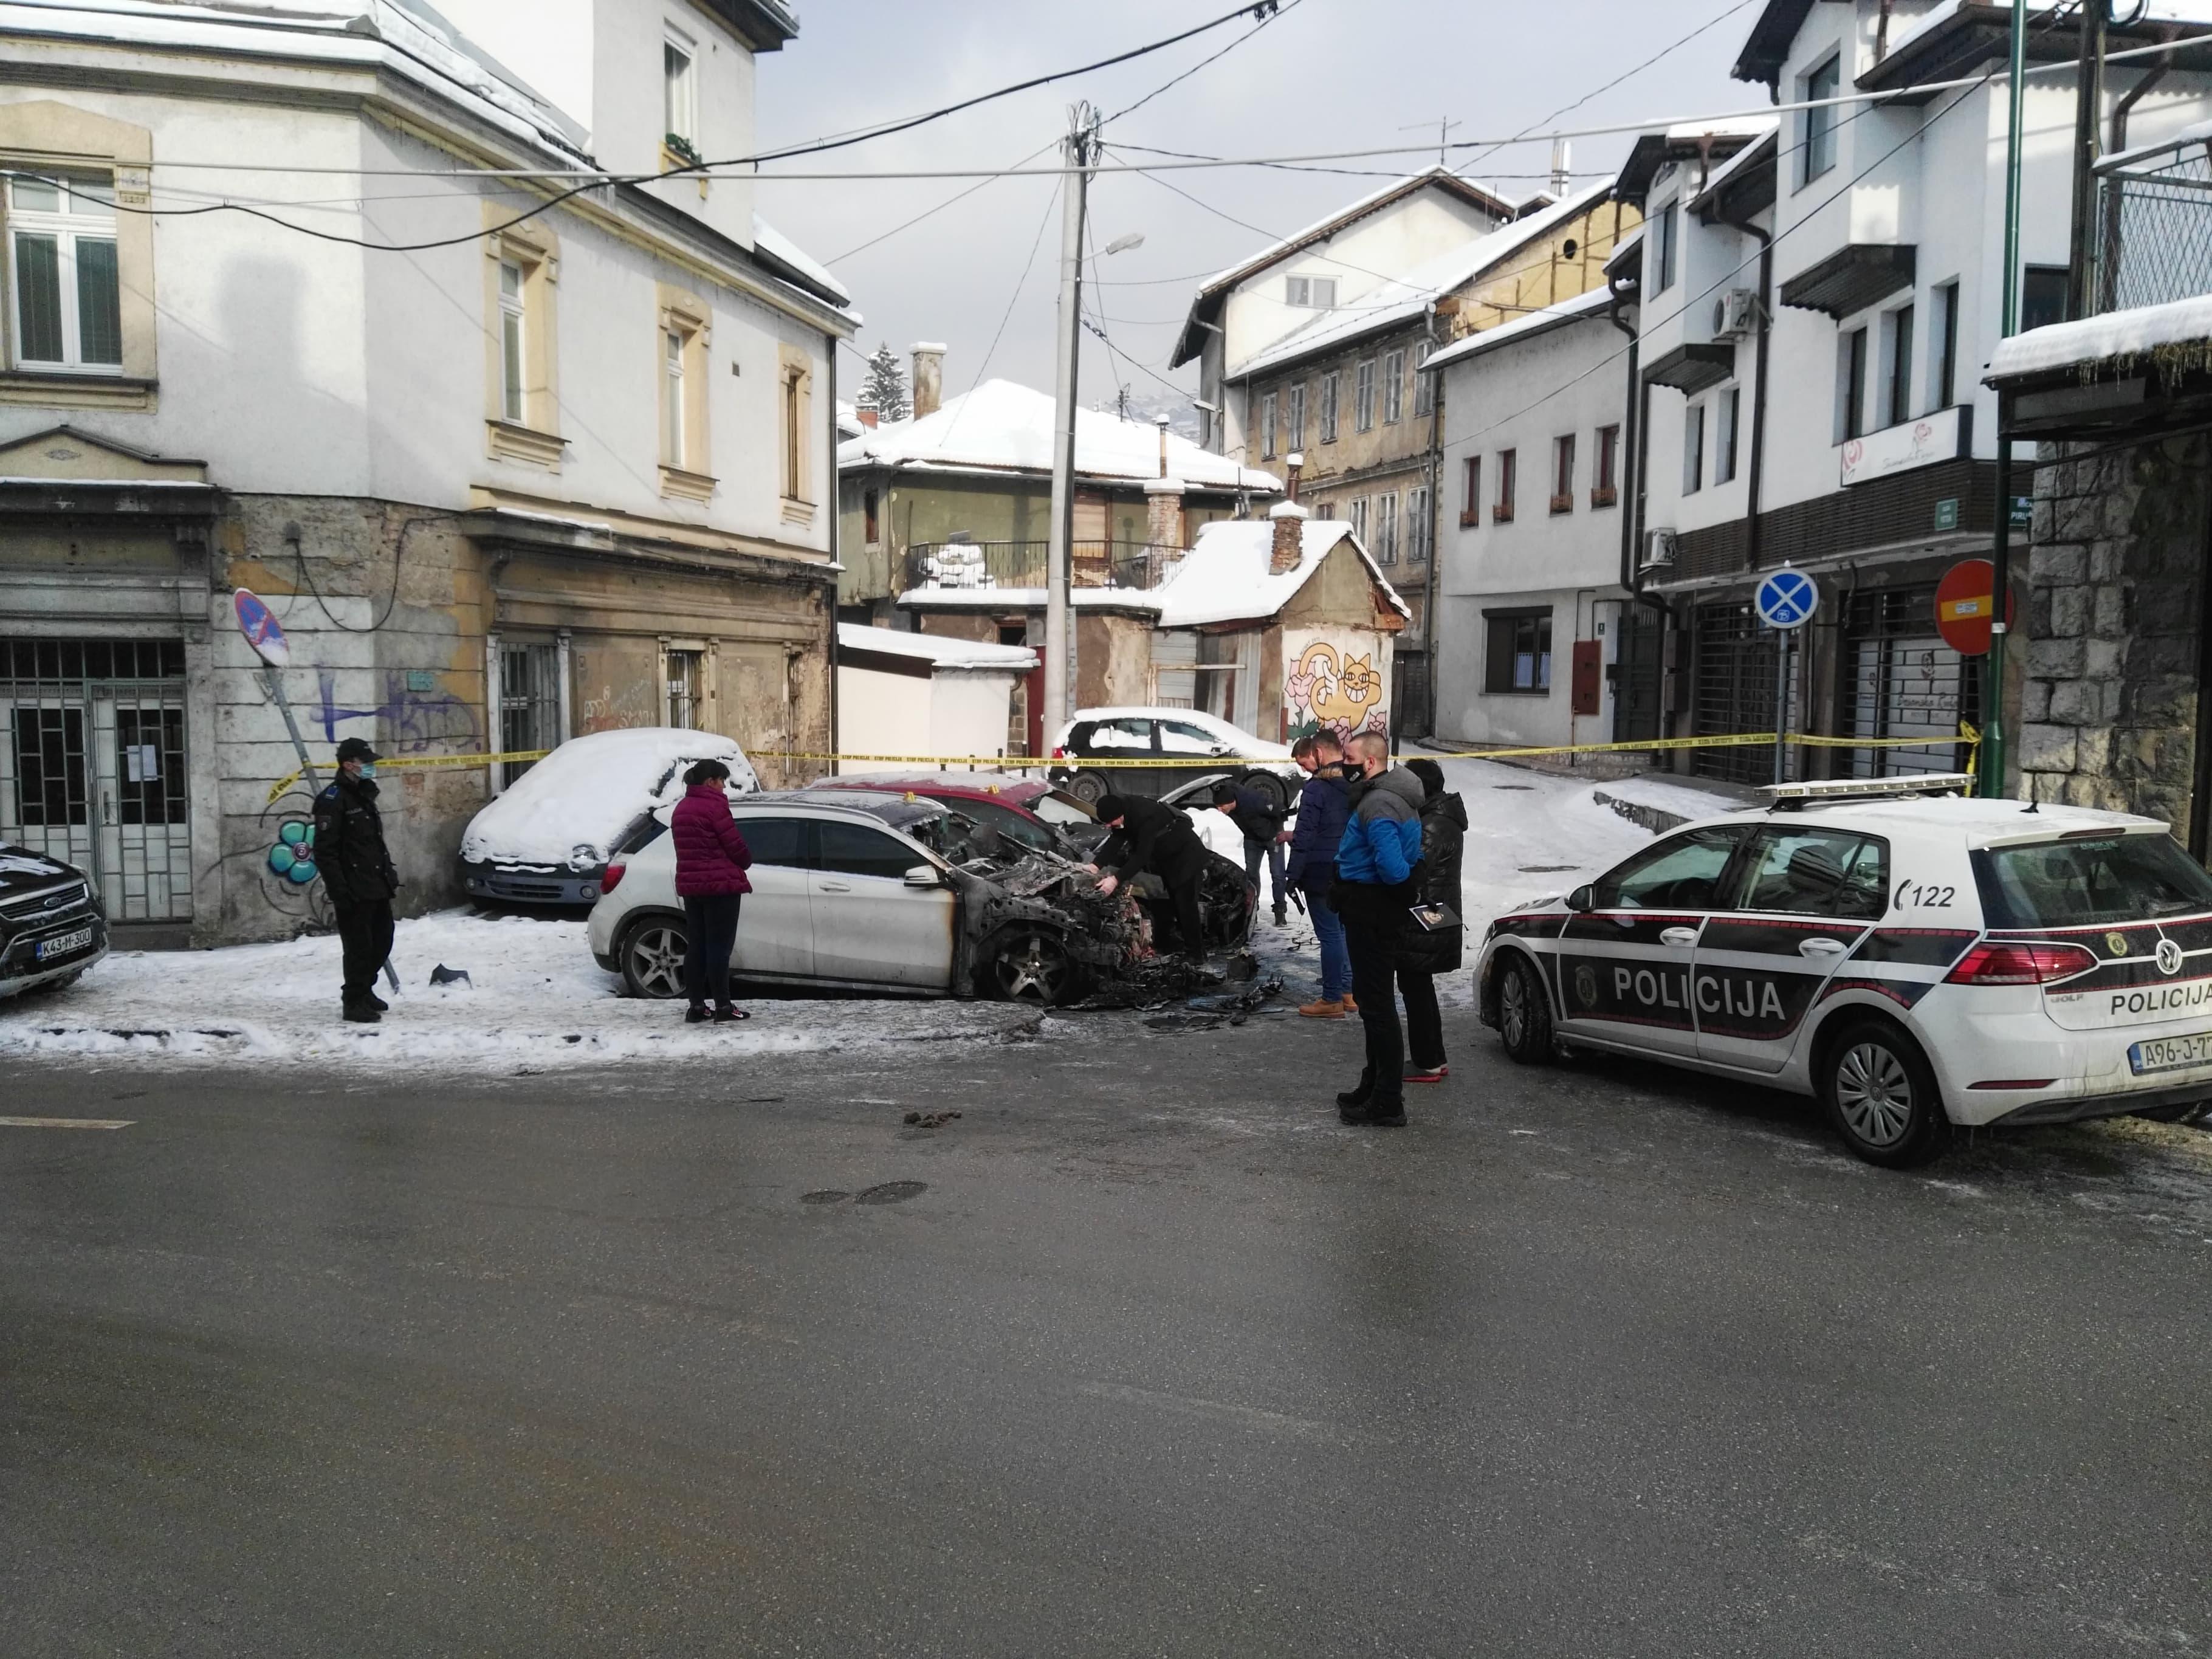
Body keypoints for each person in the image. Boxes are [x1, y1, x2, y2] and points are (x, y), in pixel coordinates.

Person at [1330, 731, 1424, 1127]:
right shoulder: (1383, 797)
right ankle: (1374, 1085)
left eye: (1348, 757)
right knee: (1373, 1006)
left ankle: (1388, 1100)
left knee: (1378, 1007)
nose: (1342, 765)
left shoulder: (1380, 803)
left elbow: (1392, 868)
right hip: (1372, 908)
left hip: (1372, 912)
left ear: (1369, 763)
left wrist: (1397, 893)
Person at [313, 736, 400, 1025]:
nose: (372, 767)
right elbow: (326, 852)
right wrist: (340, 890)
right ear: (350, 764)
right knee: (359, 949)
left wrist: (389, 874)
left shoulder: (364, 794)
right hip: (353, 889)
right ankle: (353, 1001)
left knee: (383, 941)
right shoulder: (333, 800)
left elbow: (373, 842)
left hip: (375, 884)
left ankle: (365, 989)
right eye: (367, 763)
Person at [1398, 758, 1467, 1085]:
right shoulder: (1438, 816)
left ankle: (1427, 1061)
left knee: (1416, 987)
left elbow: (1414, 867)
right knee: (1418, 987)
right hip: (1431, 912)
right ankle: (1433, 1058)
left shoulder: (1433, 823)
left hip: (1424, 915)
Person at [670, 758, 754, 1024]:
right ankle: (724, 1007)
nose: (724, 789)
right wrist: (746, 861)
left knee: (697, 945)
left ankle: (696, 1007)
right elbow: (735, 845)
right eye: (722, 782)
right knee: (720, 947)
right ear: (711, 782)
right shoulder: (715, 806)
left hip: (692, 886)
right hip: (721, 886)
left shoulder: (681, 809)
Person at [1090, 792, 1211, 962]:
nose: (1110, 826)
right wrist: (1095, 866)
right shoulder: (1123, 809)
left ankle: (1196, 955)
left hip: (1187, 858)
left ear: (1121, 815)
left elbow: (1141, 856)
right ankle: (1170, 945)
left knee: (1186, 907)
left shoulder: (1146, 817)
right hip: (1168, 861)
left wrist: (1115, 879)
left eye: (1112, 822)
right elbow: (1117, 838)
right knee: (1170, 904)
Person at [1284, 733, 1355, 1019]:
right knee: (1343, 932)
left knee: (1329, 936)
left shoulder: (1316, 789)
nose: (1304, 770)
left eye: (1305, 763)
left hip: (1319, 870)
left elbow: (1305, 835)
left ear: (1318, 753)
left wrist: (1292, 876)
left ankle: (1331, 998)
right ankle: (1348, 993)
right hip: (1348, 868)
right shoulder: (1355, 784)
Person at [1210, 780, 1288, 927]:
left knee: (1277, 874)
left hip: (1273, 837)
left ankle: (1280, 911)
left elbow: (1279, 811)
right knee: (1251, 874)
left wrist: (1277, 832)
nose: (1220, 810)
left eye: (1222, 806)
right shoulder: (1229, 805)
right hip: (1252, 839)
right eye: (1217, 807)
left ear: (1232, 802)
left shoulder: (1255, 801)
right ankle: (1252, 910)